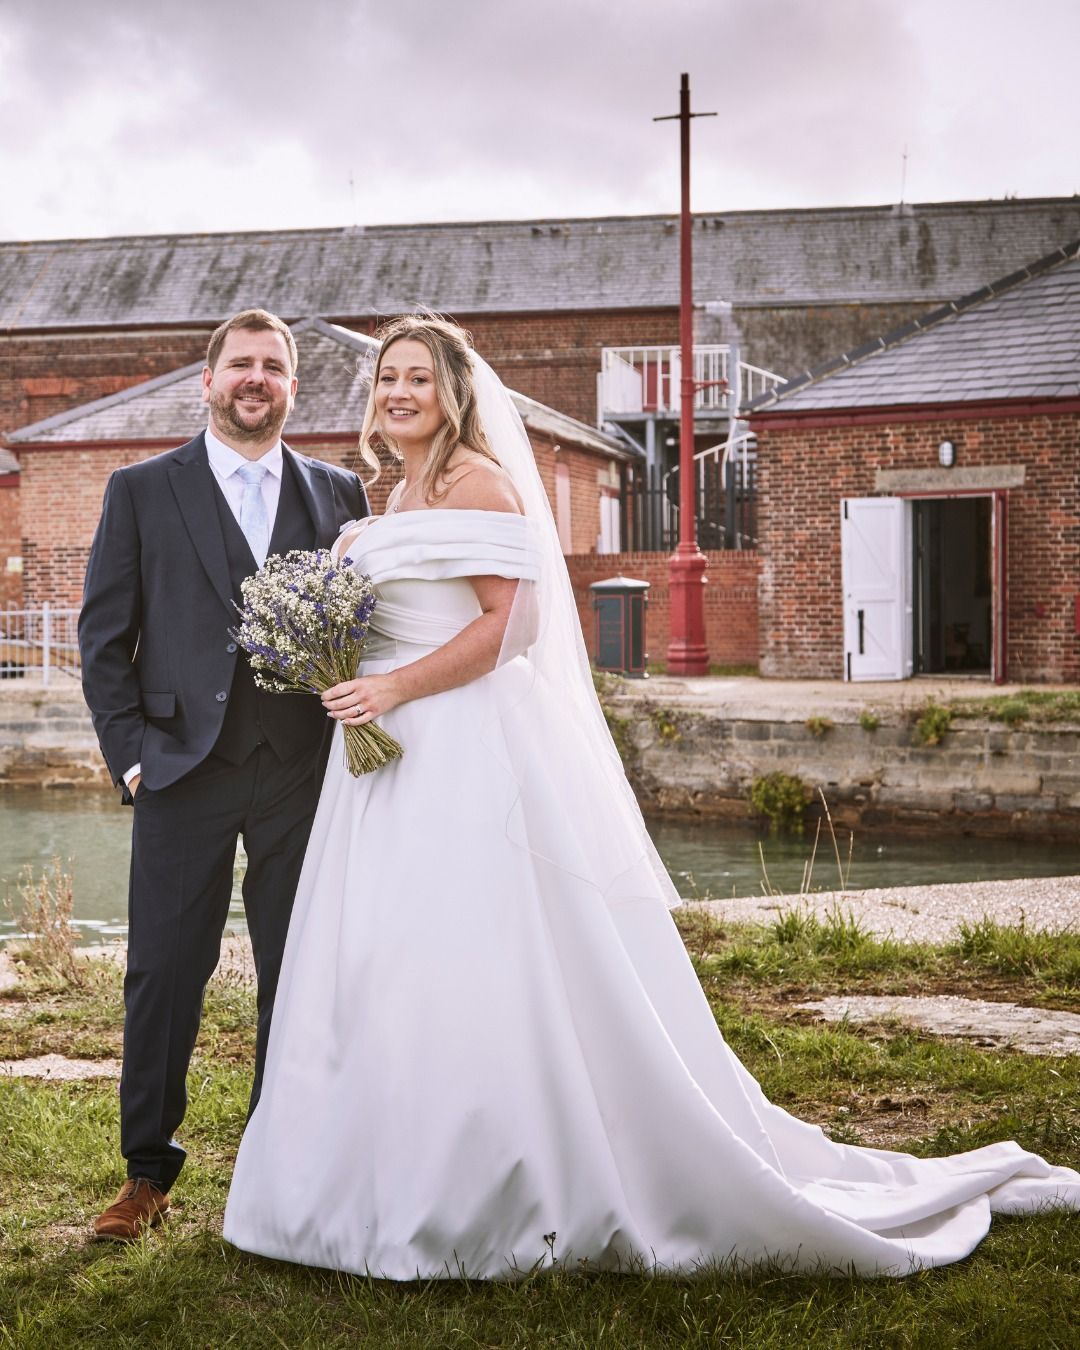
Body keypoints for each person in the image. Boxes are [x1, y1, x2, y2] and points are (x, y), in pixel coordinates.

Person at [223, 315, 1078, 1279]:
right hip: (379, 764)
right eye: (388, 378)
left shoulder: (479, 482)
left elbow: (519, 624)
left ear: (455, 390)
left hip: (456, 750)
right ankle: (359, 1180)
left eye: (419, 377)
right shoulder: (391, 495)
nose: (399, 393)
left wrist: (392, 687)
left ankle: (483, 1187)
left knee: (461, 957)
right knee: (377, 958)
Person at [79, 309, 368, 1241]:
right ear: (207, 382)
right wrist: (131, 760)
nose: (257, 379)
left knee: (298, 969)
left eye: (273, 367)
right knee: (165, 972)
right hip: (178, 771)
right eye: (240, 364)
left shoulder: (341, 496)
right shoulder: (140, 490)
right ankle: (146, 1173)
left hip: (302, 773)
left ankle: (274, 1162)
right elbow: (102, 641)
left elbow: (370, 629)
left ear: (294, 386)